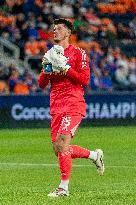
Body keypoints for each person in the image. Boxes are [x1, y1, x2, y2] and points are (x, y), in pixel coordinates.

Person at [38, 18, 104, 197]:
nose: (55, 31)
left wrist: (65, 68)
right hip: (56, 106)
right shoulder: (50, 54)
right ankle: (93, 155)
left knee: (62, 145)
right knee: (59, 150)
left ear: (68, 33)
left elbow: (84, 80)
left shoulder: (78, 53)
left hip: (73, 104)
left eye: (59, 29)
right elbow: (42, 84)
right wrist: (46, 69)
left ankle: (63, 188)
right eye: (53, 29)